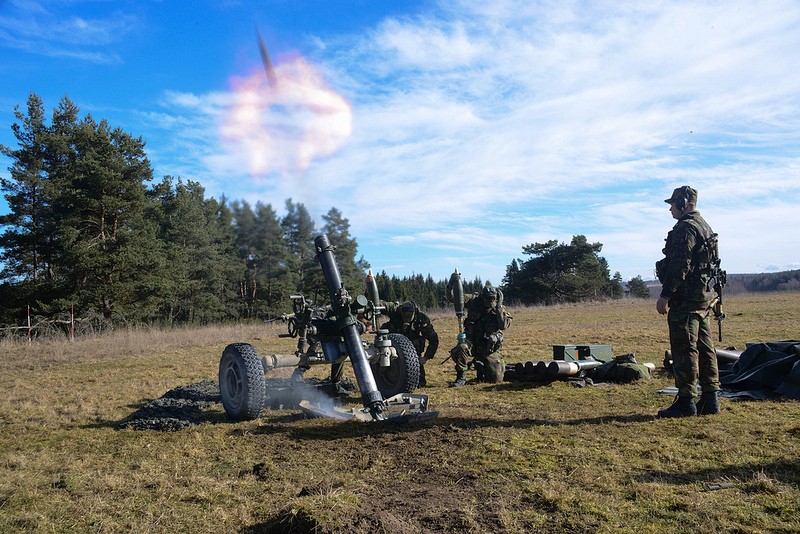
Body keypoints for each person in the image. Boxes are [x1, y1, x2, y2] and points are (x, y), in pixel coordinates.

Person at [655, 185, 722, 417]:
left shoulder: (686, 228)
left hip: (686, 299)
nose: (670, 209)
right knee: (705, 347)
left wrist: (665, 295)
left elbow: (680, 265)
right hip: (703, 297)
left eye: (673, 204)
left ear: (684, 203)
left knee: (685, 348)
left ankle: (686, 401)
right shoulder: (704, 226)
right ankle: (711, 399)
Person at [446, 283, 512, 387]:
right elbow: (454, 298)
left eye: (492, 299)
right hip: (472, 342)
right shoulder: (473, 301)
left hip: (488, 348)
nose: (489, 302)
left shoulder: (499, 308)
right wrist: (450, 286)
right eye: (487, 299)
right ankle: (461, 378)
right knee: (462, 347)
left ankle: (482, 366)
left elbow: (503, 326)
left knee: (496, 379)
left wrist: (499, 307)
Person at [380, 301, 439, 387]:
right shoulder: (394, 311)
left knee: (418, 381)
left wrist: (426, 357)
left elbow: (433, 339)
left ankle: (418, 379)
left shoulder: (421, 319)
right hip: (393, 341)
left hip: (413, 347)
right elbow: (381, 304)